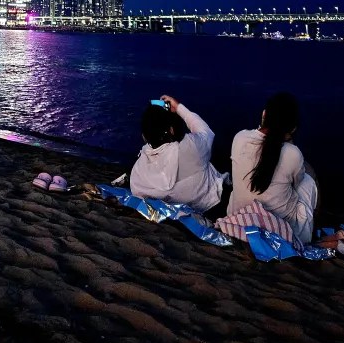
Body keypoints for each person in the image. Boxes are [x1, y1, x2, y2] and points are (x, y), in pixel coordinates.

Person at [227, 92, 317, 246]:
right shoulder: (292, 154)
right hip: (279, 231)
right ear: (293, 128)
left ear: (264, 114)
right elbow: (297, 184)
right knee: (308, 181)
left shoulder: (239, 137)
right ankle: (306, 235)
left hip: (238, 220)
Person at [129, 95, 226, 213]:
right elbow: (206, 132)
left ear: (144, 137)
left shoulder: (138, 172)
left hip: (172, 215)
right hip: (210, 206)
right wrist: (179, 108)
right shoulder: (191, 147)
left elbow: (138, 195)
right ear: (171, 130)